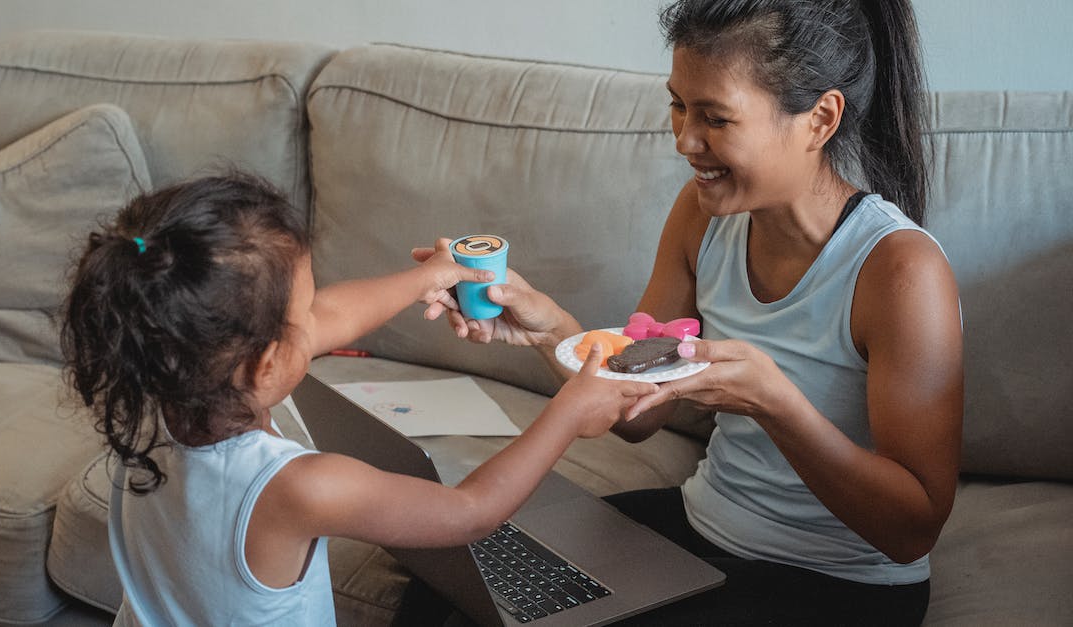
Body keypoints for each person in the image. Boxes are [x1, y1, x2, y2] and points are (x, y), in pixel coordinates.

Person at [418, 1, 963, 624]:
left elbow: (911, 530)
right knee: (455, 576)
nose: (684, 141)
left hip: (840, 584)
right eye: (679, 104)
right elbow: (639, 415)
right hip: (702, 529)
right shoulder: (702, 216)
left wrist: (774, 401)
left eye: (716, 118)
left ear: (820, 119)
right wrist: (553, 331)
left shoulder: (898, 270)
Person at [61, 171, 659, 626]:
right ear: (267, 363)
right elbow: (469, 513)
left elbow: (333, 316)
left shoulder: (149, 395)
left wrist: (434, 275)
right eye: (305, 311)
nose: (320, 316)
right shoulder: (299, 488)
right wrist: (569, 411)